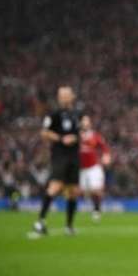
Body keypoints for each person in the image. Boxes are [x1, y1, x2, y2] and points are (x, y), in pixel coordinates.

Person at [32, 86, 81, 236]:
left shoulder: (76, 114)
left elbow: (80, 133)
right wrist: (61, 138)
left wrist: (76, 138)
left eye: (67, 95)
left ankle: (69, 226)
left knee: (73, 191)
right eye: (61, 95)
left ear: (72, 96)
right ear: (59, 98)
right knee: (55, 186)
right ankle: (40, 221)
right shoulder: (54, 115)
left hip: (74, 156)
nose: (64, 97)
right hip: (60, 156)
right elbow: (44, 132)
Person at [79, 115, 111, 221]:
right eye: (83, 121)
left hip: (93, 167)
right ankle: (90, 207)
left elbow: (104, 147)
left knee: (96, 189)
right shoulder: (76, 135)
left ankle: (96, 210)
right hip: (81, 168)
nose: (85, 123)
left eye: (87, 121)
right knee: (82, 190)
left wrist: (106, 156)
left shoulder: (95, 135)